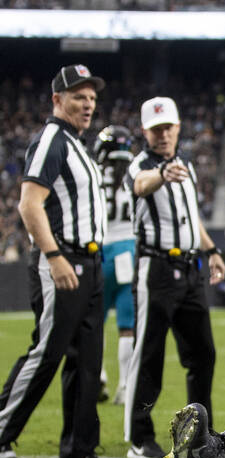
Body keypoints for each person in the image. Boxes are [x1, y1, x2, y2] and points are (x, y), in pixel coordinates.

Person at [0, 64, 120, 458]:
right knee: (47, 352)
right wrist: (53, 256)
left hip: (88, 262)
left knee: (87, 361)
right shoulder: (52, 139)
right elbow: (29, 204)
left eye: (91, 98)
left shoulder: (75, 143)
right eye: (78, 97)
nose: (87, 105)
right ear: (57, 100)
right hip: (63, 260)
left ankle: (78, 454)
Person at [124, 96, 225, 458]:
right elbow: (139, 185)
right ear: (145, 132)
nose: (163, 134)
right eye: (156, 129)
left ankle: (199, 432)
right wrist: (162, 174)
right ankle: (139, 437)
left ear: (178, 127)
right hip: (156, 269)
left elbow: (191, 217)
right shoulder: (140, 165)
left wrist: (212, 249)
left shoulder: (185, 165)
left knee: (203, 353)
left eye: (168, 127)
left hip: (190, 268)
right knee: (148, 354)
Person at [94, 124, 137, 408]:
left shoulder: (94, 173)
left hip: (99, 250)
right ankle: (124, 385)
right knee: (127, 326)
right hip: (128, 250)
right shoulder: (135, 173)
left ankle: (98, 376)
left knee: (95, 323)